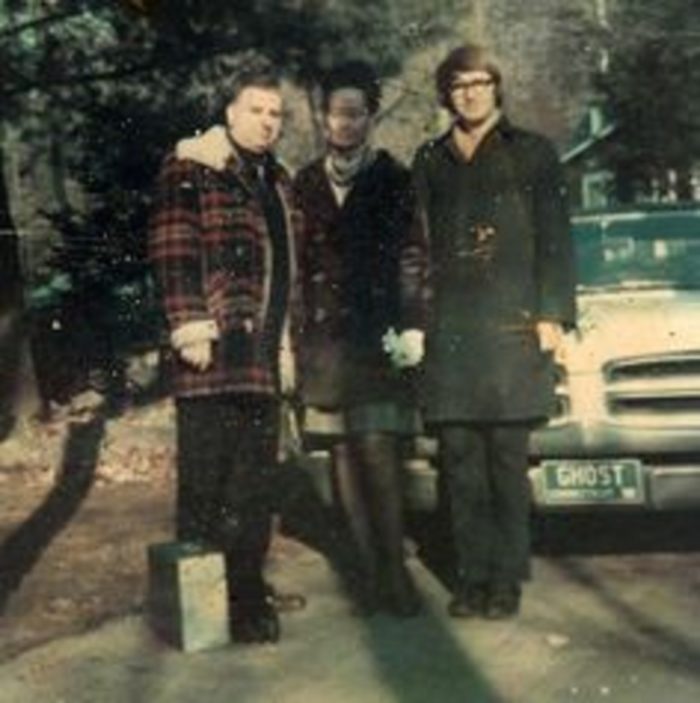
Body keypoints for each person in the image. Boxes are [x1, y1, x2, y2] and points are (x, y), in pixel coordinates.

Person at [402, 44, 576, 619]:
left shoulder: (533, 153)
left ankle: (505, 579)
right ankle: (470, 579)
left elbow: (555, 239)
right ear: (446, 94)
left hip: (512, 331)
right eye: (458, 85)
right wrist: (412, 324)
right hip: (451, 337)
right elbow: (413, 249)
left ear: (497, 88)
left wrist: (553, 313)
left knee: (505, 462)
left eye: (480, 82)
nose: (470, 92)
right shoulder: (429, 160)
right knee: (460, 466)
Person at [148, 64, 303, 643]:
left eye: (275, 114)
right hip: (210, 357)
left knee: (253, 489)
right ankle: (200, 609)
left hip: (260, 357)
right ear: (230, 114)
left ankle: (246, 597)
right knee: (206, 488)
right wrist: (189, 324)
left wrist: (284, 343)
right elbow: (171, 245)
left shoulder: (278, 181)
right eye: (256, 111)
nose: (267, 123)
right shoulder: (191, 167)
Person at [293, 61, 426, 617]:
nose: (344, 124)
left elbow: (414, 255)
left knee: (377, 448)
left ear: (370, 119)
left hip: (378, 334)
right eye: (335, 114)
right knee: (345, 452)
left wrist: (415, 322)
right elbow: (296, 265)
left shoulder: (393, 178)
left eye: (355, 113)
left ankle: (394, 573)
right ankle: (370, 576)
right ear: (323, 120)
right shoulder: (301, 184)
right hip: (325, 341)